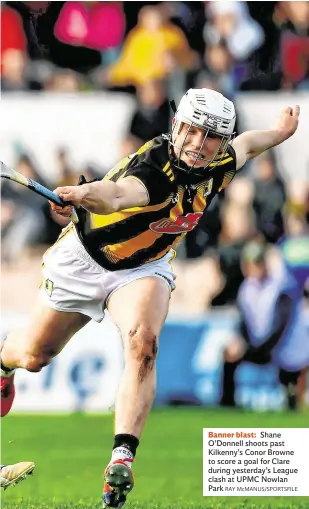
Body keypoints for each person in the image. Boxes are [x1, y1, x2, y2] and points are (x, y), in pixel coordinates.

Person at [0, 88, 300, 508]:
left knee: (144, 344)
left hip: (145, 266)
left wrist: (280, 132)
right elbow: (120, 195)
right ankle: (3, 360)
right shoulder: (157, 167)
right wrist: (84, 195)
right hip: (85, 259)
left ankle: (121, 458)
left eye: (211, 136)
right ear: (176, 125)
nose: (198, 144)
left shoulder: (224, 161)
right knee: (33, 356)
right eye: (191, 131)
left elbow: (248, 143)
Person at [220, 240, 308, 410]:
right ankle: (227, 403)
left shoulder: (281, 287)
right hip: (260, 345)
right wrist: (245, 344)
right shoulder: (246, 288)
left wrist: (260, 349)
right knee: (230, 355)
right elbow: (244, 322)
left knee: (291, 375)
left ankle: (292, 400)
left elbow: (279, 327)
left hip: (283, 347)